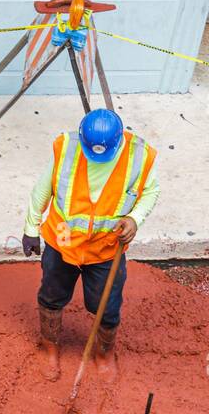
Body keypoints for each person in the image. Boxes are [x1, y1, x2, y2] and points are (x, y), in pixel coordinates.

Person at [21, 108, 159, 381]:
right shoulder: (67, 149)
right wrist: (30, 228)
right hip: (63, 244)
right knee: (51, 295)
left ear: (118, 141)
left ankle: (104, 353)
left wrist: (134, 218)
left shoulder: (138, 156)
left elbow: (151, 191)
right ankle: (49, 347)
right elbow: (42, 189)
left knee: (106, 305)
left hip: (106, 249)